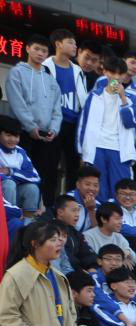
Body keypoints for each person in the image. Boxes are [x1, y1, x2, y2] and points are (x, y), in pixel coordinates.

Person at [5, 35, 62, 208]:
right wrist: (31, 126)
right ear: (27, 48)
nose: (40, 53)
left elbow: (56, 109)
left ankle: (41, 210)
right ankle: (18, 211)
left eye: (44, 51)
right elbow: (17, 102)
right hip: (23, 133)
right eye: (36, 49)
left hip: (47, 136)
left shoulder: (50, 80)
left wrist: (54, 129)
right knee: (21, 174)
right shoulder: (16, 72)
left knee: (45, 174)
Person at [76, 56, 136, 198]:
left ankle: (117, 220)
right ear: (105, 72)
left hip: (120, 149)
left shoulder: (132, 97)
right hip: (96, 147)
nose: (116, 77)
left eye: (120, 74)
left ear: (125, 75)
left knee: (120, 191)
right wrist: (81, 151)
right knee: (96, 191)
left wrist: (123, 98)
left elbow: (132, 122)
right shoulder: (94, 96)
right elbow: (83, 124)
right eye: (112, 73)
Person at [45, 29, 87, 188]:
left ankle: (70, 205)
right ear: (58, 44)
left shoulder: (77, 70)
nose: (74, 46)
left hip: (73, 125)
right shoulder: (45, 66)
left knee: (73, 169)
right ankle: (47, 205)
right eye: (70, 42)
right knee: (49, 166)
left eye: (75, 43)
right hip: (52, 123)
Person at [0, 115, 44, 215]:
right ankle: (10, 219)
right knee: (9, 184)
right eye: (8, 135)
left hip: (15, 193)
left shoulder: (20, 152)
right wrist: (19, 177)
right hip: (2, 197)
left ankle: (28, 225)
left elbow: (35, 177)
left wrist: (11, 171)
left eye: (16, 136)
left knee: (32, 188)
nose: (13, 140)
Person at [84, 202, 136, 268]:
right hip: (100, 273)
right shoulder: (88, 236)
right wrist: (120, 260)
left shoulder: (119, 237)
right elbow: (93, 262)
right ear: (104, 219)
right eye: (117, 218)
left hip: (117, 273)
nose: (121, 222)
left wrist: (128, 252)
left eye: (121, 218)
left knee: (133, 267)